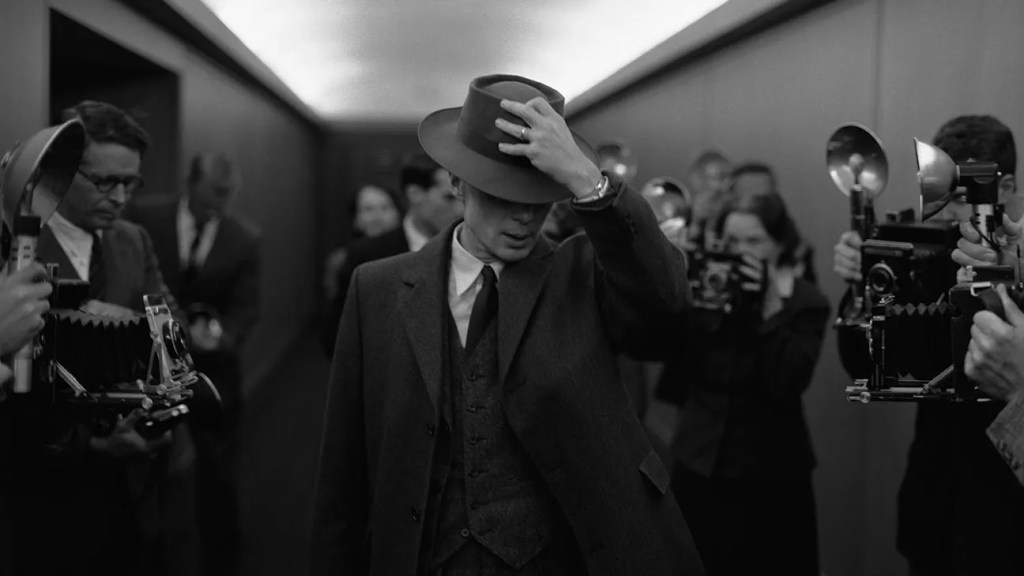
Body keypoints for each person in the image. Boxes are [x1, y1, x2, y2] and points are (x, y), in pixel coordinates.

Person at [310, 74, 703, 576]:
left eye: (538, 199)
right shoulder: (377, 288)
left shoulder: (583, 275)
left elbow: (667, 305)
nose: (524, 218)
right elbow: (344, 470)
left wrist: (589, 181)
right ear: (457, 183)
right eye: (502, 195)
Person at [8, 100, 197, 576]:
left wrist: (132, 326)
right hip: (41, 481)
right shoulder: (17, 243)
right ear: (62, 170)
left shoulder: (133, 239)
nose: (120, 196)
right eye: (105, 181)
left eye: (131, 183)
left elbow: (173, 327)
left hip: (133, 471)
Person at [832, 114, 1024, 575]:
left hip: (1007, 518)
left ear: (1005, 188)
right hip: (934, 508)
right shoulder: (924, 251)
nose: (945, 215)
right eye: (937, 196)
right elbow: (863, 364)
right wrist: (863, 288)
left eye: (959, 198)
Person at [656, 190, 829, 575]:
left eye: (754, 241)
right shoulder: (706, 288)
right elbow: (663, 352)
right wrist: (671, 275)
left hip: (773, 473)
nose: (742, 251)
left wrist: (770, 308)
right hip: (701, 460)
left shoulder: (803, 300)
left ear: (780, 244)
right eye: (732, 241)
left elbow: (789, 381)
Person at [125, 152, 260, 576]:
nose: (219, 203)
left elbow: (246, 307)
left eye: (227, 195)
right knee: (149, 476)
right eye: (213, 193)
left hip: (211, 376)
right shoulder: (145, 218)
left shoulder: (244, 238)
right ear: (191, 183)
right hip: (146, 372)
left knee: (218, 480)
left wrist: (221, 335)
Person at [320, 153, 462, 356]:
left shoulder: (472, 250)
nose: (459, 210)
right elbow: (338, 339)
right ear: (415, 193)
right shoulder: (367, 256)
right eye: (448, 197)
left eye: (463, 199)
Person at [323, 183, 403, 300]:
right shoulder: (341, 260)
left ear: (398, 214)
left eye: (384, 208)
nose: (377, 216)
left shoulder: (413, 253)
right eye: (368, 209)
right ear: (355, 218)